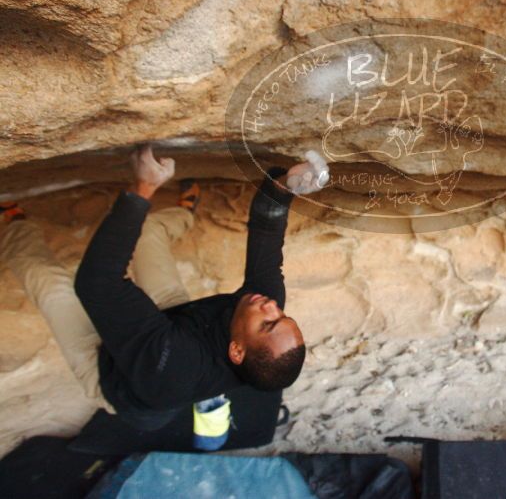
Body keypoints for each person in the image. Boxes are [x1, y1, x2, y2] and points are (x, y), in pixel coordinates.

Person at [0, 144, 328, 431]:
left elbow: (97, 284)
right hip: (177, 324)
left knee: (49, 282)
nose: (272, 306)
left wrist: (142, 188)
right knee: (149, 231)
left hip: (113, 372)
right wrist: (287, 186)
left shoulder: (175, 366)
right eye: (283, 316)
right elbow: (267, 230)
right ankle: (183, 214)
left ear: (237, 351)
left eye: (268, 323)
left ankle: (14, 224)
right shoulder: (264, 307)